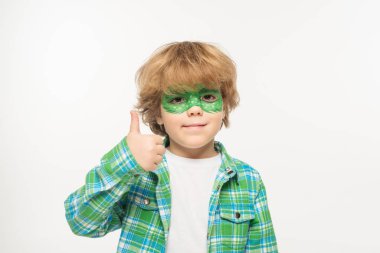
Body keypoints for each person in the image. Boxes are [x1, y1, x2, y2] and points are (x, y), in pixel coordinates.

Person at [64, 41, 278, 252]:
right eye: (177, 99)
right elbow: (82, 223)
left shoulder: (248, 180)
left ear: (224, 107)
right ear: (158, 113)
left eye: (208, 96)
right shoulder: (139, 173)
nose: (195, 109)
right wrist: (125, 163)